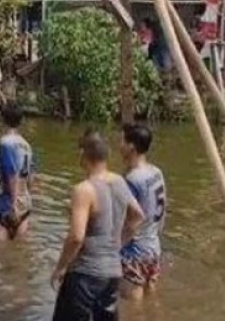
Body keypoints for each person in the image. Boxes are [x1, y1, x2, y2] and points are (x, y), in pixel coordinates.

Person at [50, 131, 145, 321]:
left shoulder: (83, 190)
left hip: (85, 275)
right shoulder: (119, 181)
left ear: (82, 155)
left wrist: (60, 268)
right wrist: (118, 243)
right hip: (111, 273)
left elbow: (76, 237)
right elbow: (138, 216)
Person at [119, 124, 167, 300]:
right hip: (153, 248)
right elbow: (163, 211)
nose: (119, 145)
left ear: (131, 147)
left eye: (122, 141)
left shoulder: (131, 179)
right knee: (151, 301)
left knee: (133, 308)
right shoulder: (156, 172)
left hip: (135, 251)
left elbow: (132, 221)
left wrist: (116, 246)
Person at [0, 103, 36, 241]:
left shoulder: (5, 143)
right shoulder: (27, 145)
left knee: (1, 247)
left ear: (2, 120)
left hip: (9, 201)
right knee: (20, 249)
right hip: (25, 201)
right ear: (21, 121)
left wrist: (13, 203)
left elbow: (11, 172)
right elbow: (31, 178)